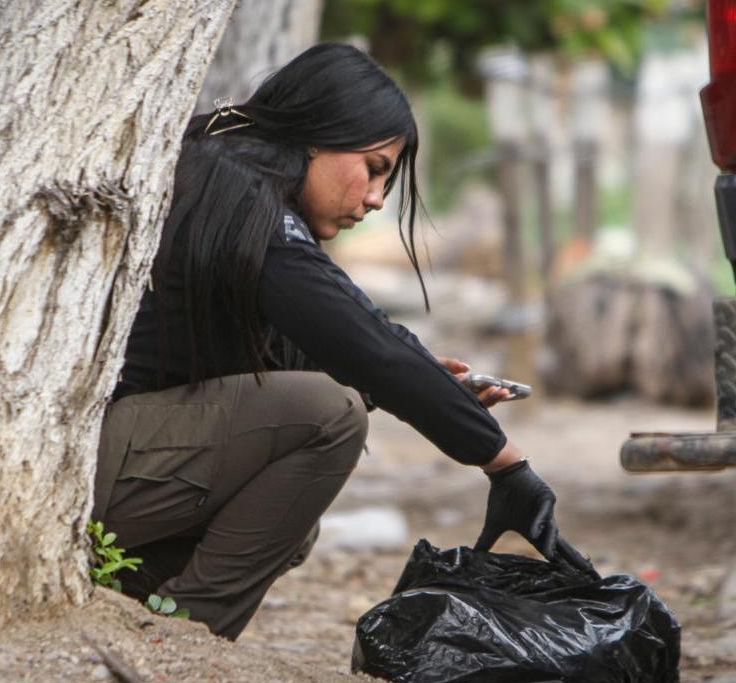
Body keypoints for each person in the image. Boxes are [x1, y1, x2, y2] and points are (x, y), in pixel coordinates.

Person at [91, 43, 592, 640]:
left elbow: (339, 341)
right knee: (328, 419)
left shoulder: (221, 170)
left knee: (289, 510)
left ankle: (123, 602)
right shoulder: (244, 203)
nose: (377, 198)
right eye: (374, 168)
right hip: (86, 469)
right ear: (317, 137)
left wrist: (426, 382)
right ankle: (182, 635)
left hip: (112, 459)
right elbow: (365, 342)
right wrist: (505, 465)